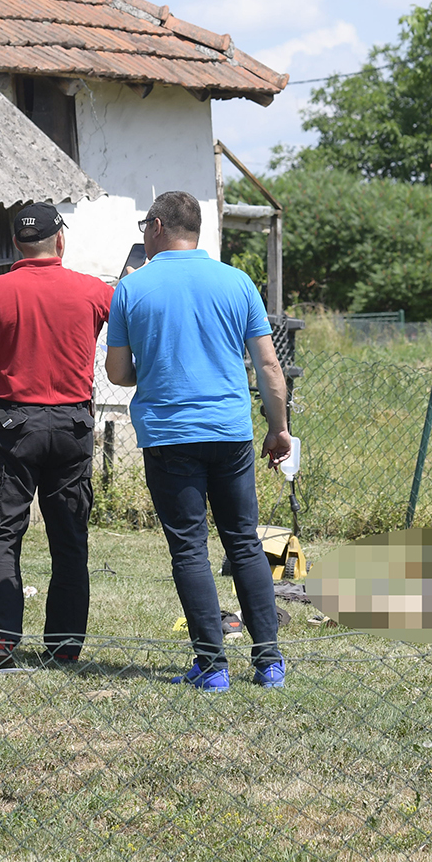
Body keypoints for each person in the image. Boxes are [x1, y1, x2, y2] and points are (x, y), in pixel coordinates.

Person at [104, 190, 293, 692]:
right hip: (229, 432)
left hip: (169, 436)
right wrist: (278, 428)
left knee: (189, 549)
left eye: (145, 226)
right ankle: (269, 662)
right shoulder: (237, 282)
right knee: (244, 542)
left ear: (158, 227)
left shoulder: (131, 289)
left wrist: (156, 365)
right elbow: (269, 366)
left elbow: (118, 373)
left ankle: (212, 667)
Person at [0, 201, 112, 668]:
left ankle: (0, 643)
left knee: (3, 533)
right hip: (72, 427)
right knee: (70, 538)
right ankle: (64, 647)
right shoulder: (92, 290)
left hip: (14, 427)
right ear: (60, 240)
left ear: (15, 244)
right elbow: (129, 318)